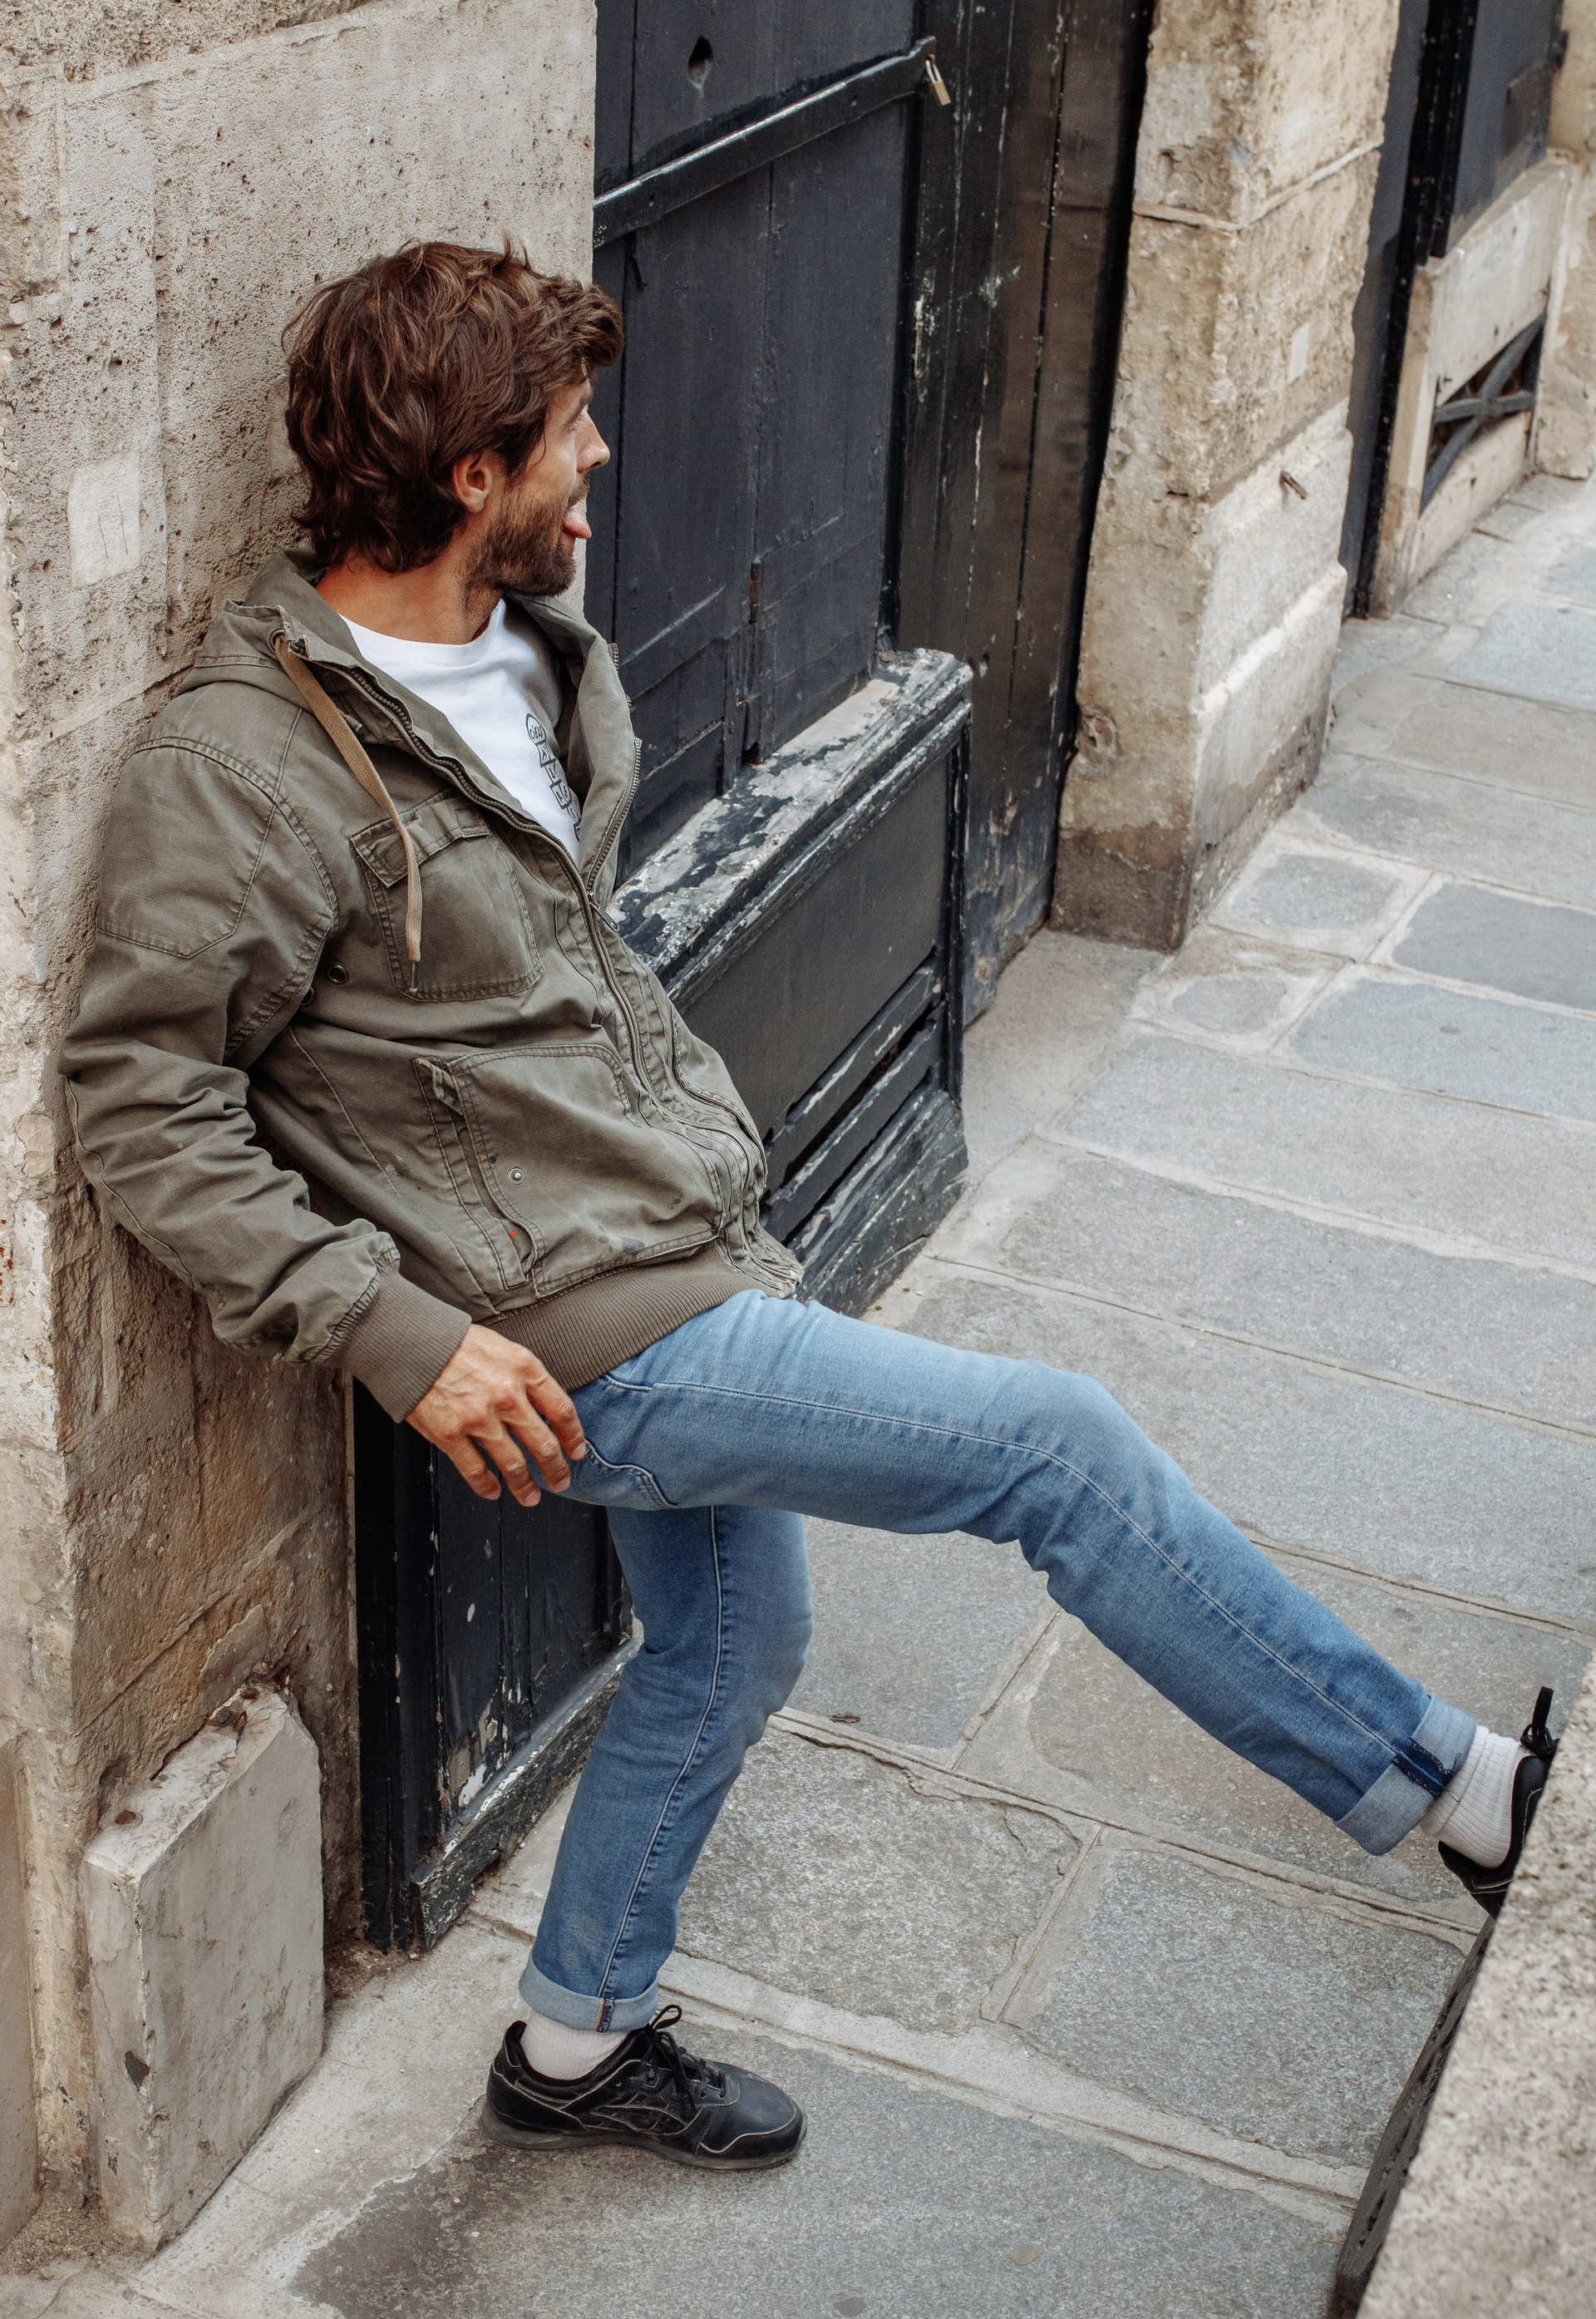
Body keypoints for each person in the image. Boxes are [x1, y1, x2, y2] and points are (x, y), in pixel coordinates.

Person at [60, 241, 1557, 2175]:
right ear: (469, 474)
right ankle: (1459, 1790)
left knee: (733, 1644)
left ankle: (575, 2043)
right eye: (567, 432)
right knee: (1056, 1449)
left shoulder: (526, 657)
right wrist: (396, 1333)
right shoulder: (246, 767)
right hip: (574, 1333)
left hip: (671, 1235)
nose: (598, 461)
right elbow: (144, 1101)